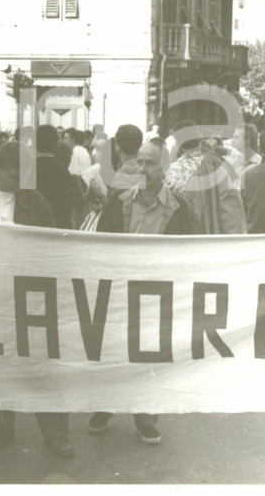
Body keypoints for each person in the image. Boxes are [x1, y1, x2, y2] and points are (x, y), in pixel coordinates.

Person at [0, 141, 74, 459]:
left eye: (24, 173)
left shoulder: (36, 201)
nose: (21, 179)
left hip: (29, 297)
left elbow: (51, 248)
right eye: (13, 173)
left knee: (40, 368)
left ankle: (55, 432)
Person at [90, 141, 198, 444]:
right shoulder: (119, 202)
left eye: (150, 163)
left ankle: (145, 416)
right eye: (139, 162)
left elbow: (187, 256)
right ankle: (106, 405)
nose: (142, 169)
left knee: (150, 357)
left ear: (164, 167)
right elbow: (101, 245)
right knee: (112, 351)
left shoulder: (180, 209)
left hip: (157, 295)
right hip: (120, 291)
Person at [165, 120, 245, 235]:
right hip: (217, 230)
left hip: (189, 232)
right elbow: (238, 158)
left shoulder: (172, 172)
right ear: (199, 139)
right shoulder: (217, 162)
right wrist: (216, 147)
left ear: (178, 143)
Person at [34, 125, 75, 230]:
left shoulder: (28, 169)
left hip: (33, 229)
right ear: (56, 143)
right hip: (57, 229)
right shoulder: (64, 172)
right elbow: (67, 208)